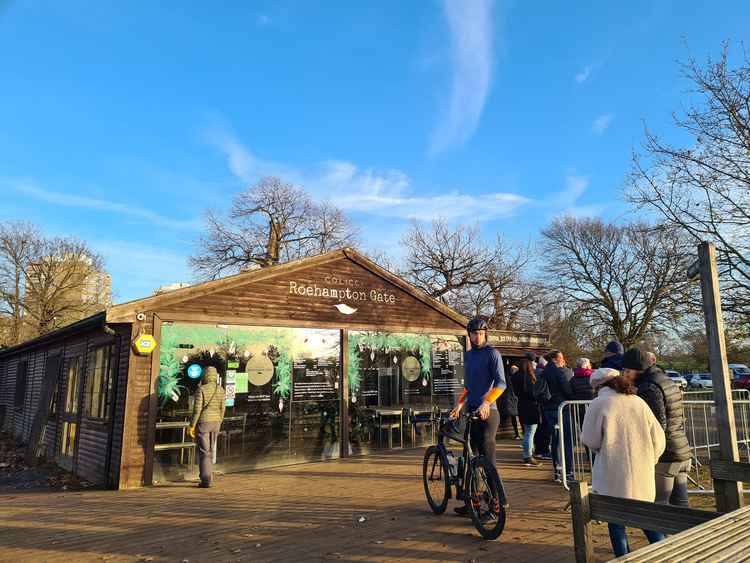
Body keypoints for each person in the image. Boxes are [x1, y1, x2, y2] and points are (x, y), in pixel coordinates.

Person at [581, 367, 666, 558]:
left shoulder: (598, 404)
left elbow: (590, 439)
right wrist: (649, 458)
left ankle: (623, 557)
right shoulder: (638, 402)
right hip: (642, 471)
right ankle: (665, 554)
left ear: (597, 386)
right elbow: (659, 439)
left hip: (612, 473)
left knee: (616, 522)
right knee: (647, 519)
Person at [450, 317, 506, 515]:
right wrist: (460, 403)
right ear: (470, 335)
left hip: (488, 412)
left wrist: (487, 402)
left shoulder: (493, 354)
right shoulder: (469, 356)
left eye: (481, 333)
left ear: (485, 334)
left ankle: (496, 504)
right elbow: (469, 386)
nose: (478, 336)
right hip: (472, 411)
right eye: (474, 333)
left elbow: (501, 384)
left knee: (488, 459)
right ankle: (472, 502)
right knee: (470, 458)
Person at [622, 348, 692, 507]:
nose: (625, 374)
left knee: (659, 507)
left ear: (638, 368)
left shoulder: (649, 387)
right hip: (680, 449)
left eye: (627, 370)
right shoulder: (665, 379)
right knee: (681, 507)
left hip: (666, 455)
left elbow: (657, 425)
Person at [188, 366, 226, 488]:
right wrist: (219, 420)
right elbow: (223, 408)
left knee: (204, 452)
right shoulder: (221, 390)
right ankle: (208, 477)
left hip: (204, 423)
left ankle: (206, 480)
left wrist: (192, 425)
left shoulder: (201, 390)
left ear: (205, 375)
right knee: (210, 450)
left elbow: (197, 410)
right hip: (216, 423)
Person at [541, 350, 575, 481]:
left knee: (555, 441)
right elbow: (566, 389)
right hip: (561, 408)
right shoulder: (559, 372)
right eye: (561, 358)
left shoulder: (543, 372)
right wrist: (572, 398)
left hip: (548, 409)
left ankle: (557, 471)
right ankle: (568, 473)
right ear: (555, 359)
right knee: (566, 440)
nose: (563, 360)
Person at [512, 358, 547, 466]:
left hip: (521, 405)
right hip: (531, 406)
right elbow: (533, 394)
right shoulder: (530, 378)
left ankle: (528, 454)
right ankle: (528, 456)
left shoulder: (515, 377)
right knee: (530, 432)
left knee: (526, 431)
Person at [500, 365, 521, 440]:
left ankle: (517, 434)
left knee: (514, 418)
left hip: (511, 400)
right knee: (518, 417)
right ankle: (518, 434)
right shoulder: (517, 378)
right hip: (515, 399)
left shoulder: (508, 378)